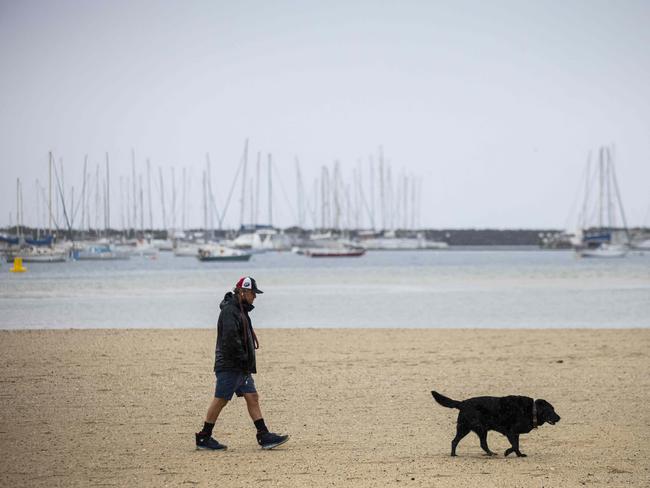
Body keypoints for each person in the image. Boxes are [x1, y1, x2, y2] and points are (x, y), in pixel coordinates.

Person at [195, 276, 289, 450]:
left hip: (240, 366)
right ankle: (204, 437)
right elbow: (230, 339)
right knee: (221, 399)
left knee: (252, 397)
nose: (255, 297)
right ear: (243, 291)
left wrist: (245, 363)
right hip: (230, 365)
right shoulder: (230, 311)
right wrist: (243, 359)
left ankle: (264, 435)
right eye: (253, 293)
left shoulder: (240, 310)